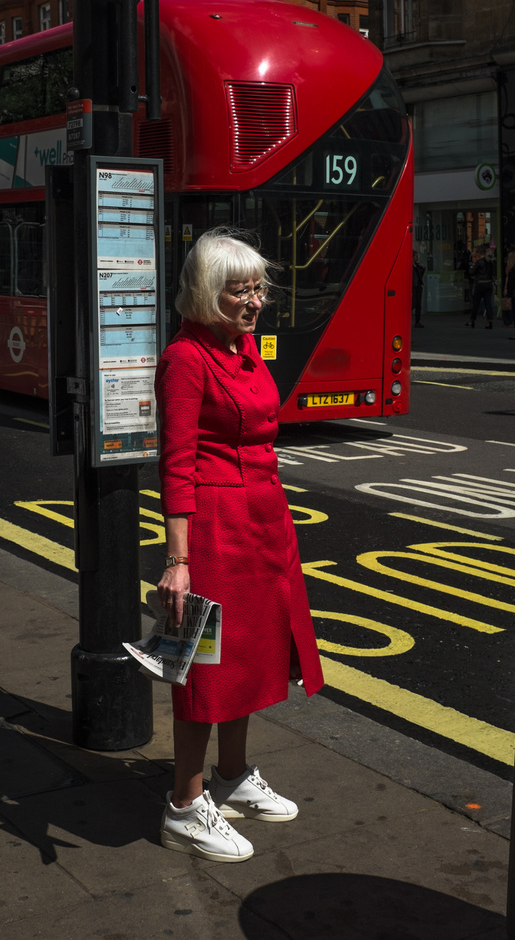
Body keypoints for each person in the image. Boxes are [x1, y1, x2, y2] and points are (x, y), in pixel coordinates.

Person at [155, 227, 324, 863]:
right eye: (238, 292)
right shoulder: (186, 359)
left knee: (251, 654)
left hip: (262, 520)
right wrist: (178, 559)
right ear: (206, 292)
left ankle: (231, 776)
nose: (253, 303)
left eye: (257, 290)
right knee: (204, 665)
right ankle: (184, 804)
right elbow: (175, 462)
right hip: (215, 529)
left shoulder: (244, 348)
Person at [466, 245, 495, 328]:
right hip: (488, 283)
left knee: (476, 302)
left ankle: (472, 320)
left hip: (480, 283)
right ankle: (489, 321)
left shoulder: (479, 262)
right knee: (488, 302)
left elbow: (472, 272)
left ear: (479, 253)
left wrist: (471, 267)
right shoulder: (490, 262)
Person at [412, 250, 425, 327]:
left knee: (418, 304)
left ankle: (417, 321)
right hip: (413, 286)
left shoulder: (417, 266)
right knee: (413, 303)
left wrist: (423, 269)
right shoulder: (410, 266)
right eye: (416, 256)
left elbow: (420, 275)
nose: (417, 258)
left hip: (418, 286)